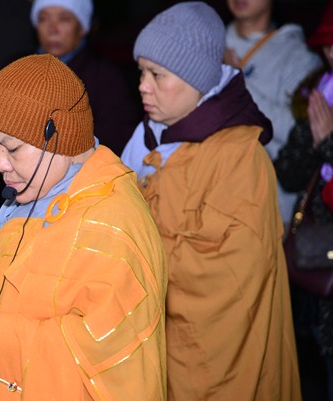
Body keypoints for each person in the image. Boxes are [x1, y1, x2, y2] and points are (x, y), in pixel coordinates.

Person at [0, 53, 167, 401]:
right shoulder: (19, 203)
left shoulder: (113, 220)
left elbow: (108, 355)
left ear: (58, 135)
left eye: (12, 149)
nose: (0, 164)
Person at [120, 2, 301, 400]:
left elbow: (231, 274)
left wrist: (134, 256)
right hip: (154, 346)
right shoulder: (147, 136)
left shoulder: (239, 153)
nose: (143, 86)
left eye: (157, 75)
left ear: (196, 78)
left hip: (216, 361)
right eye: (141, 72)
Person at [274, 1, 333, 399]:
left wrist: (328, 142)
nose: (332, 52)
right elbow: (288, 172)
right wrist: (314, 140)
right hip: (313, 259)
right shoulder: (318, 92)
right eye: (327, 44)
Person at [224, 0, 323, 226]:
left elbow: (298, 133)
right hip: (207, 200)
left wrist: (238, 85)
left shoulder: (299, 57)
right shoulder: (206, 42)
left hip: (269, 212)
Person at [29, 0, 139, 155]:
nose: (52, 29)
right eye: (43, 19)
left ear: (82, 28)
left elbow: (119, 138)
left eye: (64, 19)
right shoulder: (16, 68)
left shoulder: (105, 77)